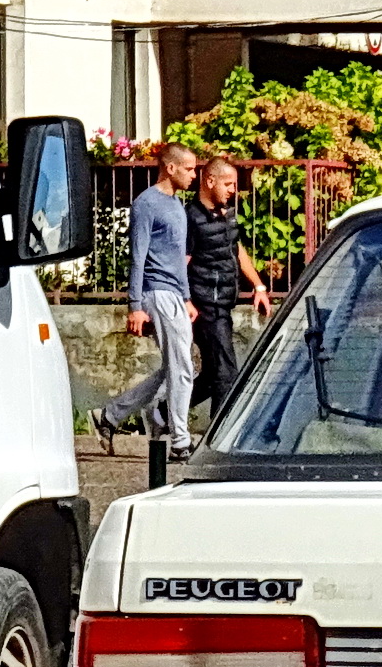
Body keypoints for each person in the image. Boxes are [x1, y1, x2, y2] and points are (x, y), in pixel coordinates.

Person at [93, 143, 201, 461]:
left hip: (174, 295)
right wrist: (135, 305)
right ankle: (180, 441)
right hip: (157, 293)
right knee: (182, 368)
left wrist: (186, 297)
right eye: (189, 168)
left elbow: (177, 260)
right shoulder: (147, 203)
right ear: (171, 168)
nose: (194, 175)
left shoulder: (177, 205)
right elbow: (138, 256)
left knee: (177, 367)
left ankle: (111, 416)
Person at [186, 157, 272, 421]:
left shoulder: (228, 216)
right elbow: (182, 261)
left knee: (214, 375)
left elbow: (236, 251)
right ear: (210, 181)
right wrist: (185, 299)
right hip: (205, 304)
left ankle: (161, 414)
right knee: (226, 373)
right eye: (228, 184)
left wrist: (258, 286)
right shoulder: (191, 217)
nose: (233, 190)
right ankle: (218, 436)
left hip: (224, 301)